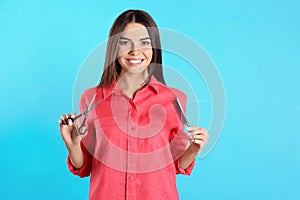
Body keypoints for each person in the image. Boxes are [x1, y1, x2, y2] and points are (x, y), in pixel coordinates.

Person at [59, 9, 209, 200]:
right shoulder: (91, 99)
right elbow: (84, 167)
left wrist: (194, 149)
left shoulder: (174, 99)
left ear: (154, 47)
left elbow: (178, 164)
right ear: (115, 48)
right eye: (125, 42)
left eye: (144, 42)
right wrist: (73, 146)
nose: (135, 51)